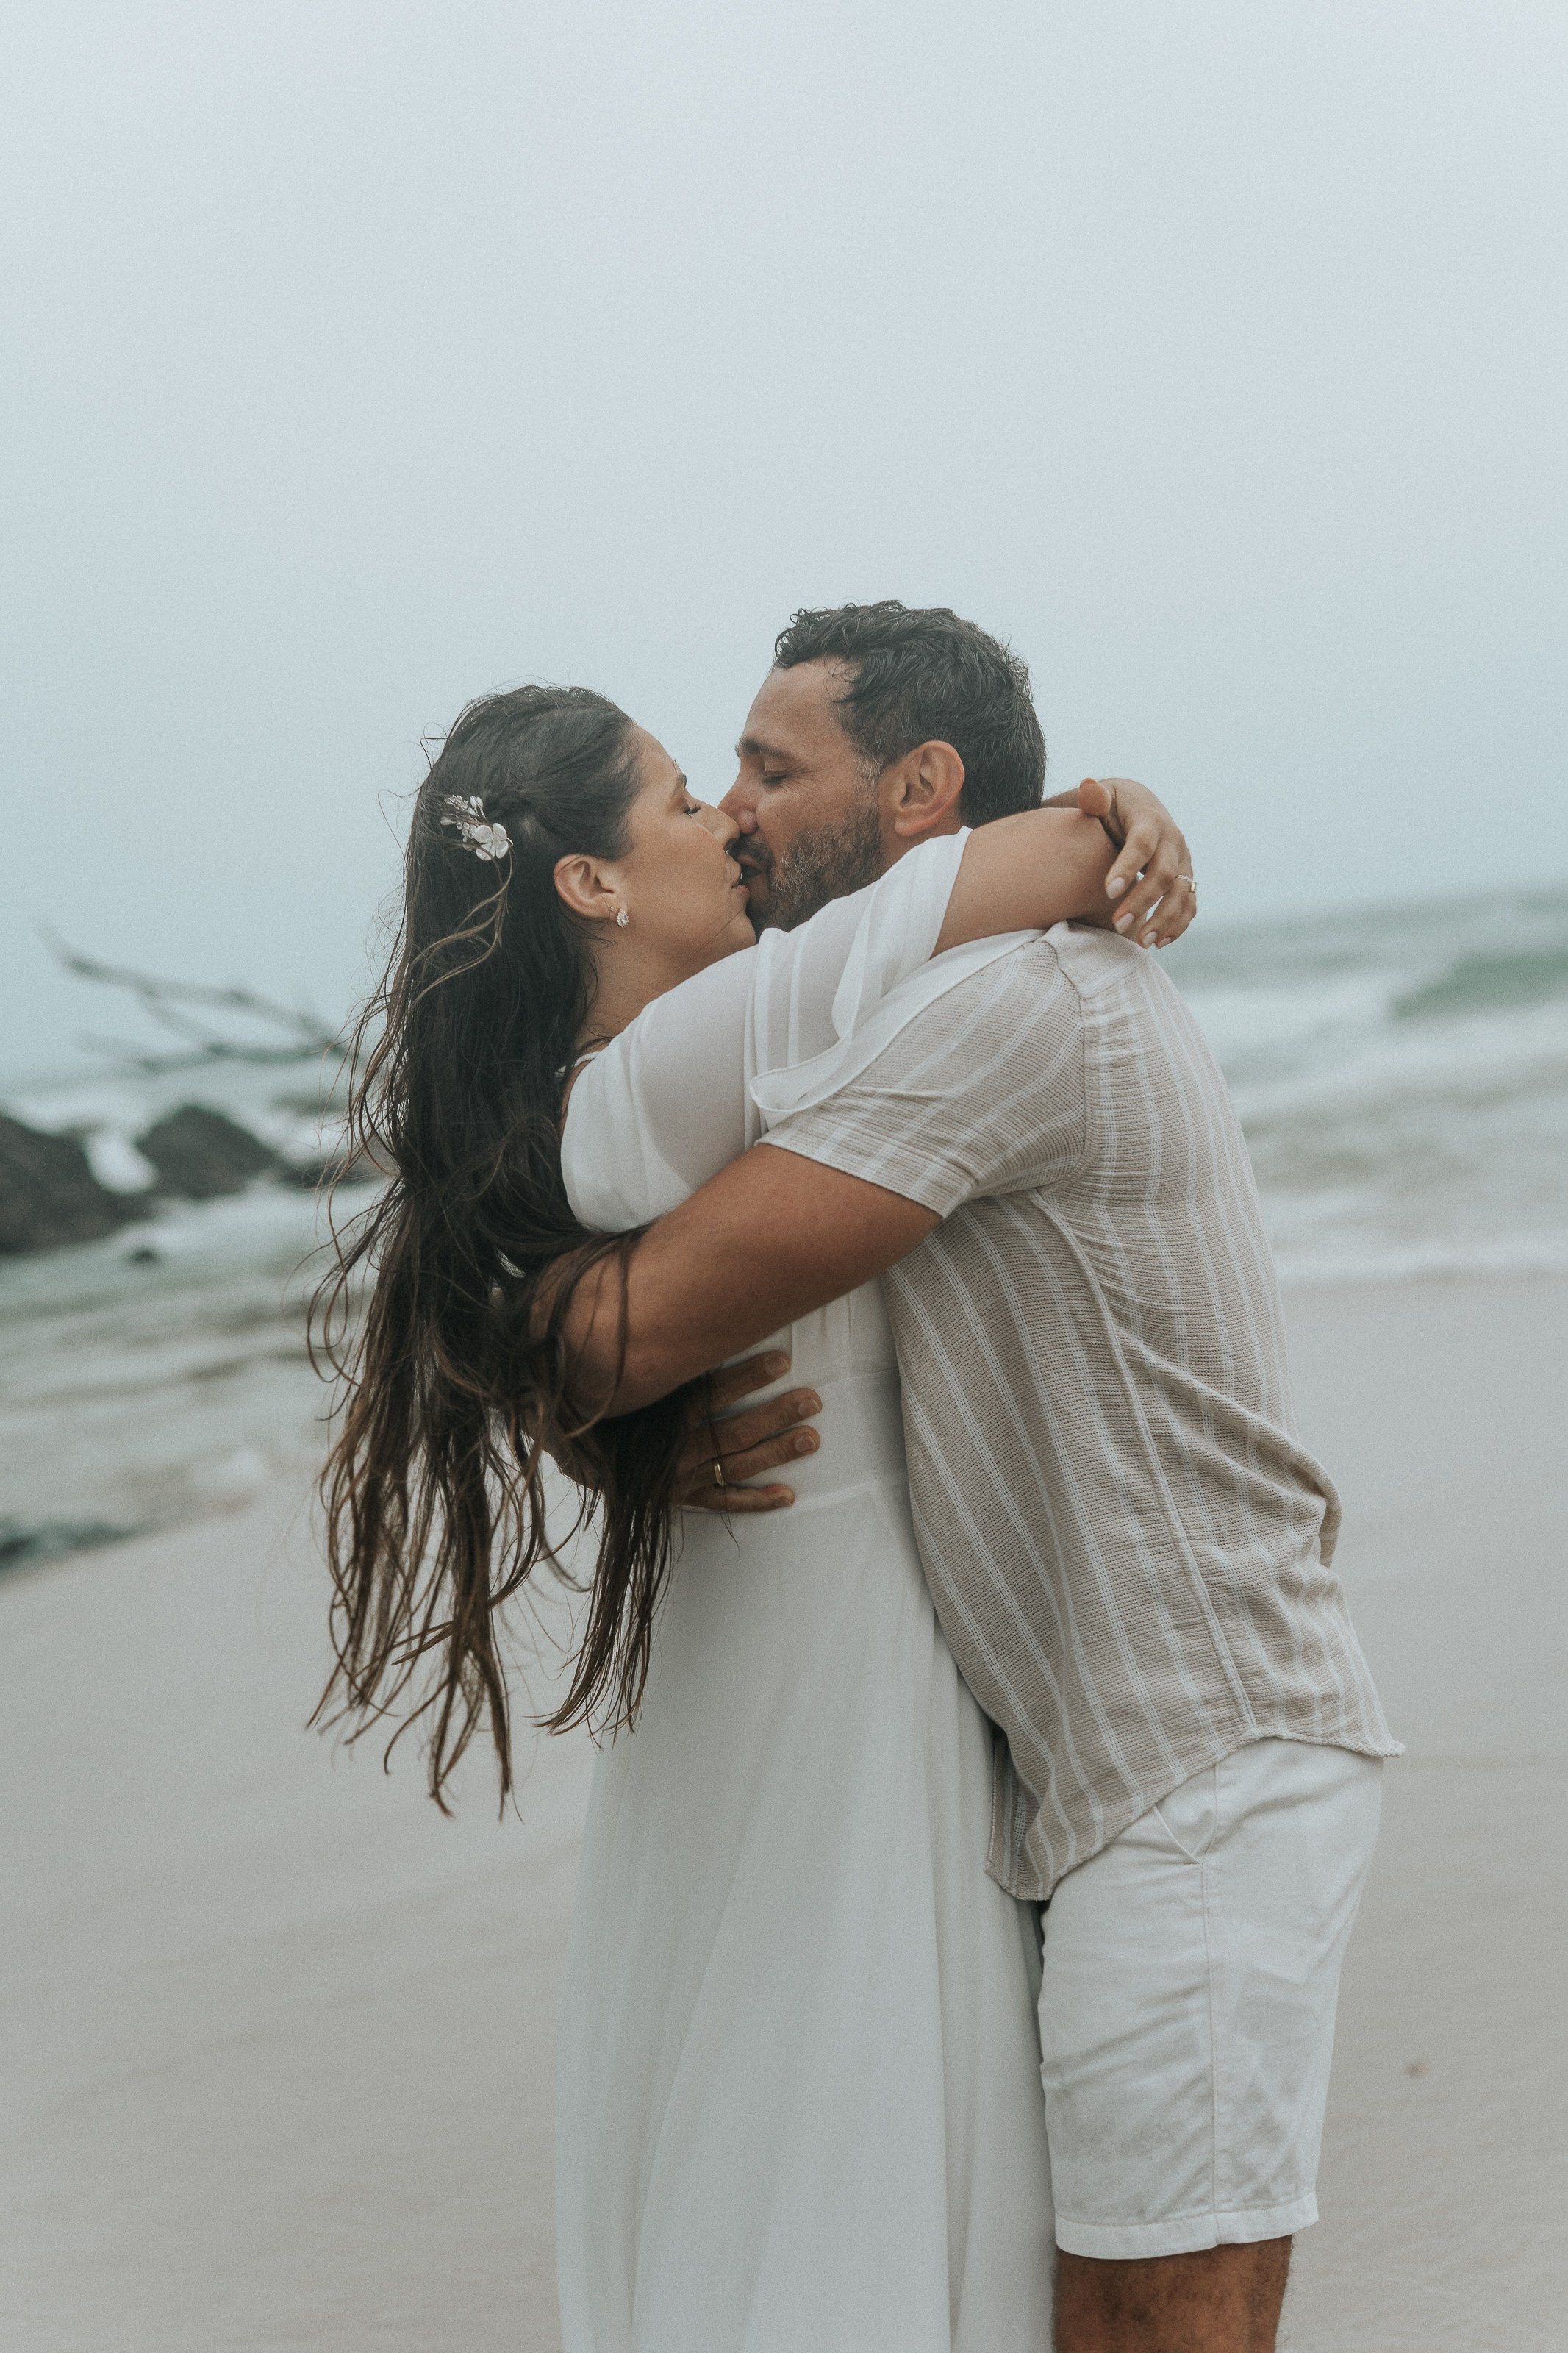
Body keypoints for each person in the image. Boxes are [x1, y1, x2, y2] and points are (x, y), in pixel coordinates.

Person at [313, 654, 1192, 2350]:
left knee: (751, 2060)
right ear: (588, 882)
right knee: (852, 2073)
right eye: (674, 795)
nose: (722, 813)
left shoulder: (619, 1098)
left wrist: (590, 1420)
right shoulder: (697, 1049)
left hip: (755, 1643)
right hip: (836, 1639)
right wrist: (1116, 815)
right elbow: (1033, 876)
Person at [556, 603, 1400, 2353]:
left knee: (1155, 2317)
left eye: (770, 770)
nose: (730, 810)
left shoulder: (1012, 1002)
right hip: (1097, 1772)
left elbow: (638, 1319)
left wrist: (558, 1369)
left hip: (1193, 1752)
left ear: (920, 788)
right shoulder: (899, 1004)